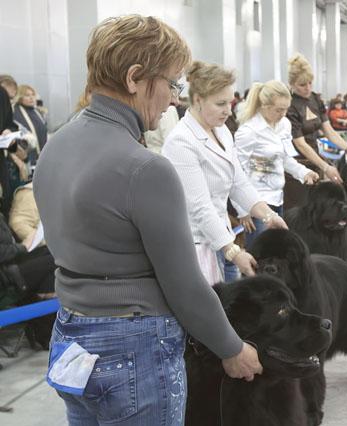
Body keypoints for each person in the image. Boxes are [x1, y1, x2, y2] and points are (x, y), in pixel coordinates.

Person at [33, 16, 262, 425]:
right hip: (132, 346)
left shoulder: (57, 145)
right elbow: (186, 287)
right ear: (135, 78)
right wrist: (232, 348)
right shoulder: (146, 168)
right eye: (172, 84)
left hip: (70, 334)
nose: (175, 98)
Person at [163, 61, 288, 285]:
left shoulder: (222, 131)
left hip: (224, 237)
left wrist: (269, 215)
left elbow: (238, 183)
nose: (228, 110)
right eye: (220, 104)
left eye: (229, 103)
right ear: (198, 100)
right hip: (196, 245)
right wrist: (233, 251)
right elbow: (200, 207)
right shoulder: (181, 142)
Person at [234, 80, 318, 248]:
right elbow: (236, 171)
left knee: (276, 254)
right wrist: (242, 210)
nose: (284, 114)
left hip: (278, 199)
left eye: (286, 109)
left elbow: (285, 158)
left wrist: (303, 172)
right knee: (260, 256)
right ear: (264, 106)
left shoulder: (284, 125)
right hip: (256, 203)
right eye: (279, 110)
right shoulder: (249, 132)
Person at [286, 53, 347, 183]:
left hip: (315, 158)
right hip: (295, 163)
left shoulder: (315, 99)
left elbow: (329, 131)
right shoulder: (289, 105)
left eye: (310, 83)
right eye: (302, 85)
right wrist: (326, 167)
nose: (308, 88)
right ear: (292, 84)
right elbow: (300, 144)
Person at [13, 85, 48, 151]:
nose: (31, 97)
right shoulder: (15, 113)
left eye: (33, 95)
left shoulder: (37, 112)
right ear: (20, 97)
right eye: (27, 95)